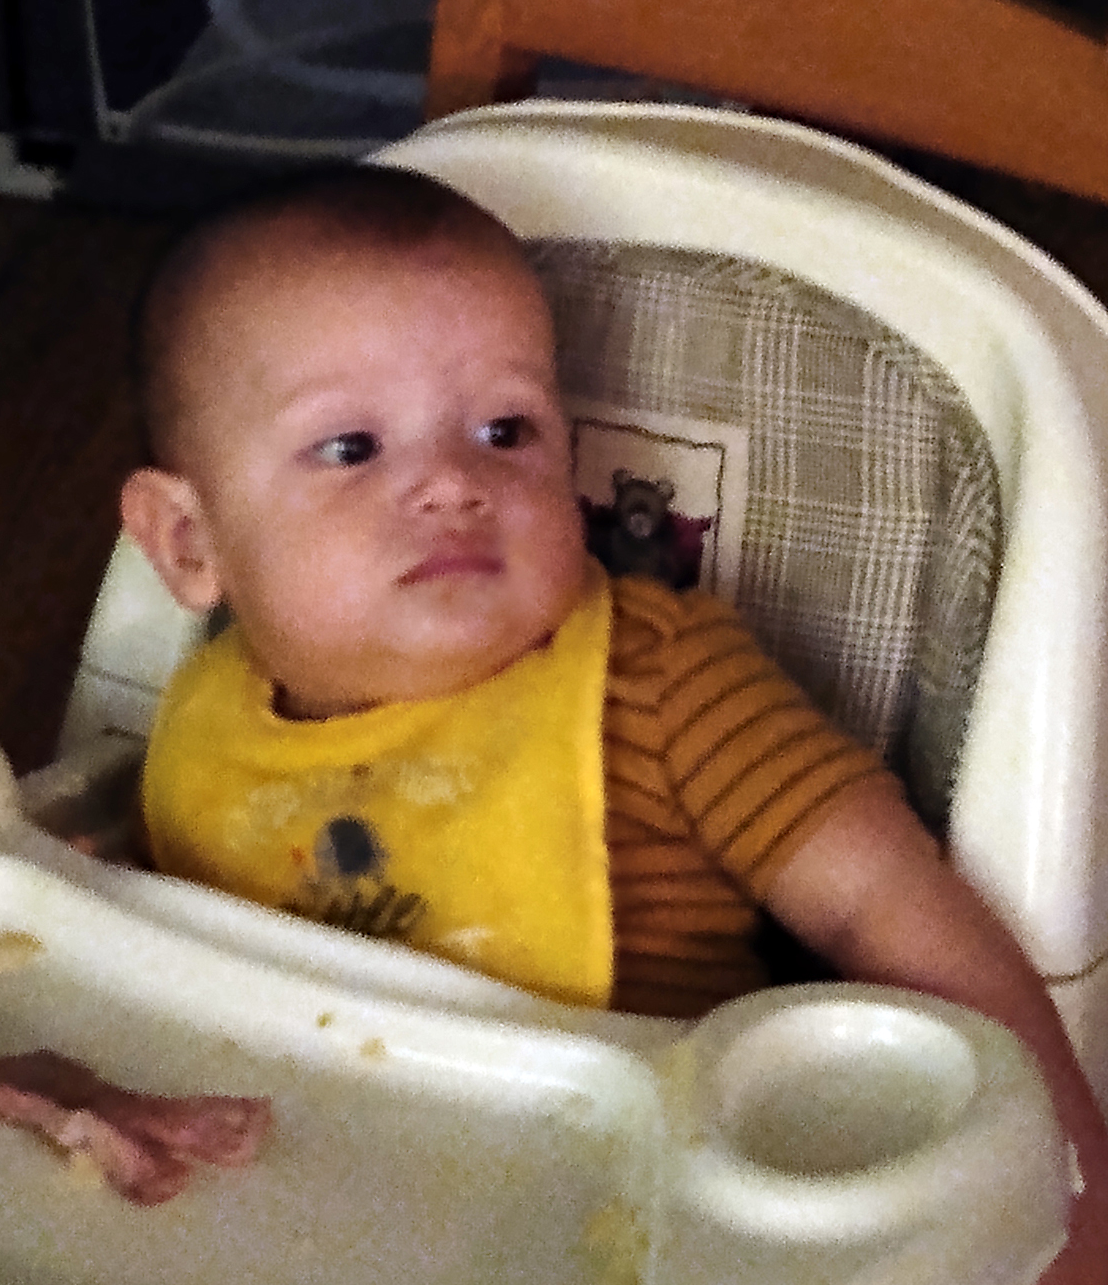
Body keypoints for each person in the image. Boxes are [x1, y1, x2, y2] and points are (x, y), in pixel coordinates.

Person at [121, 164, 1108, 1282]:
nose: (453, 483)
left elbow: (881, 903)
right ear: (189, 543)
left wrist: (1060, 1178)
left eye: (505, 430)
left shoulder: (660, 682)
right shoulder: (203, 724)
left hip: (625, 1232)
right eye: (352, 448)